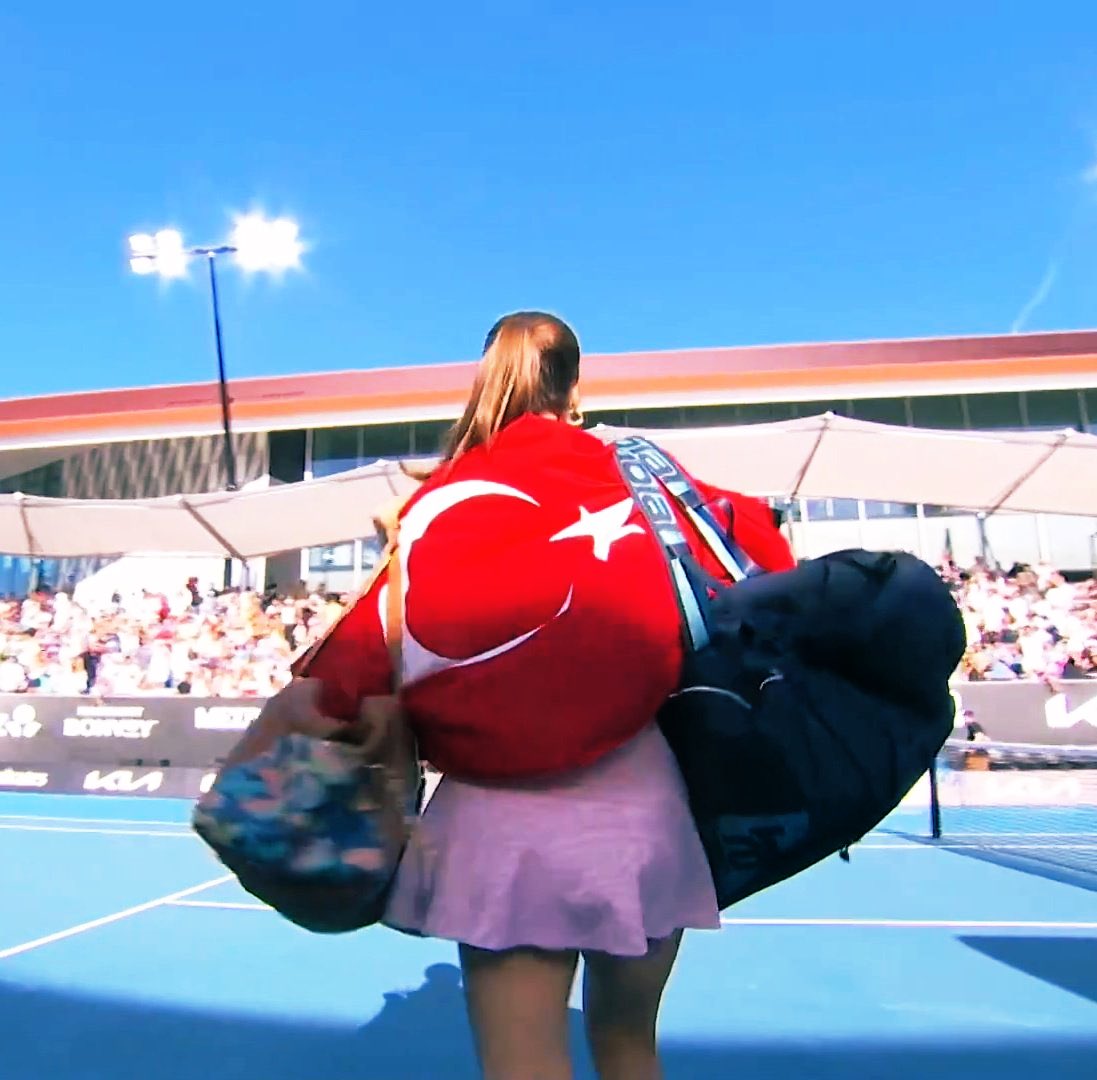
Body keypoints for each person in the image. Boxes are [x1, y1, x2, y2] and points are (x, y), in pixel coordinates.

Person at [274, 312, 794, 1080]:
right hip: (643, 809)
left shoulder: (435, 504)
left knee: (522, 1066)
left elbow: (346, 674)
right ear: (575, 387)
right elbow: (763, 557)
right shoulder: (640, 474)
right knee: (628, 1047)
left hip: (497, 824)